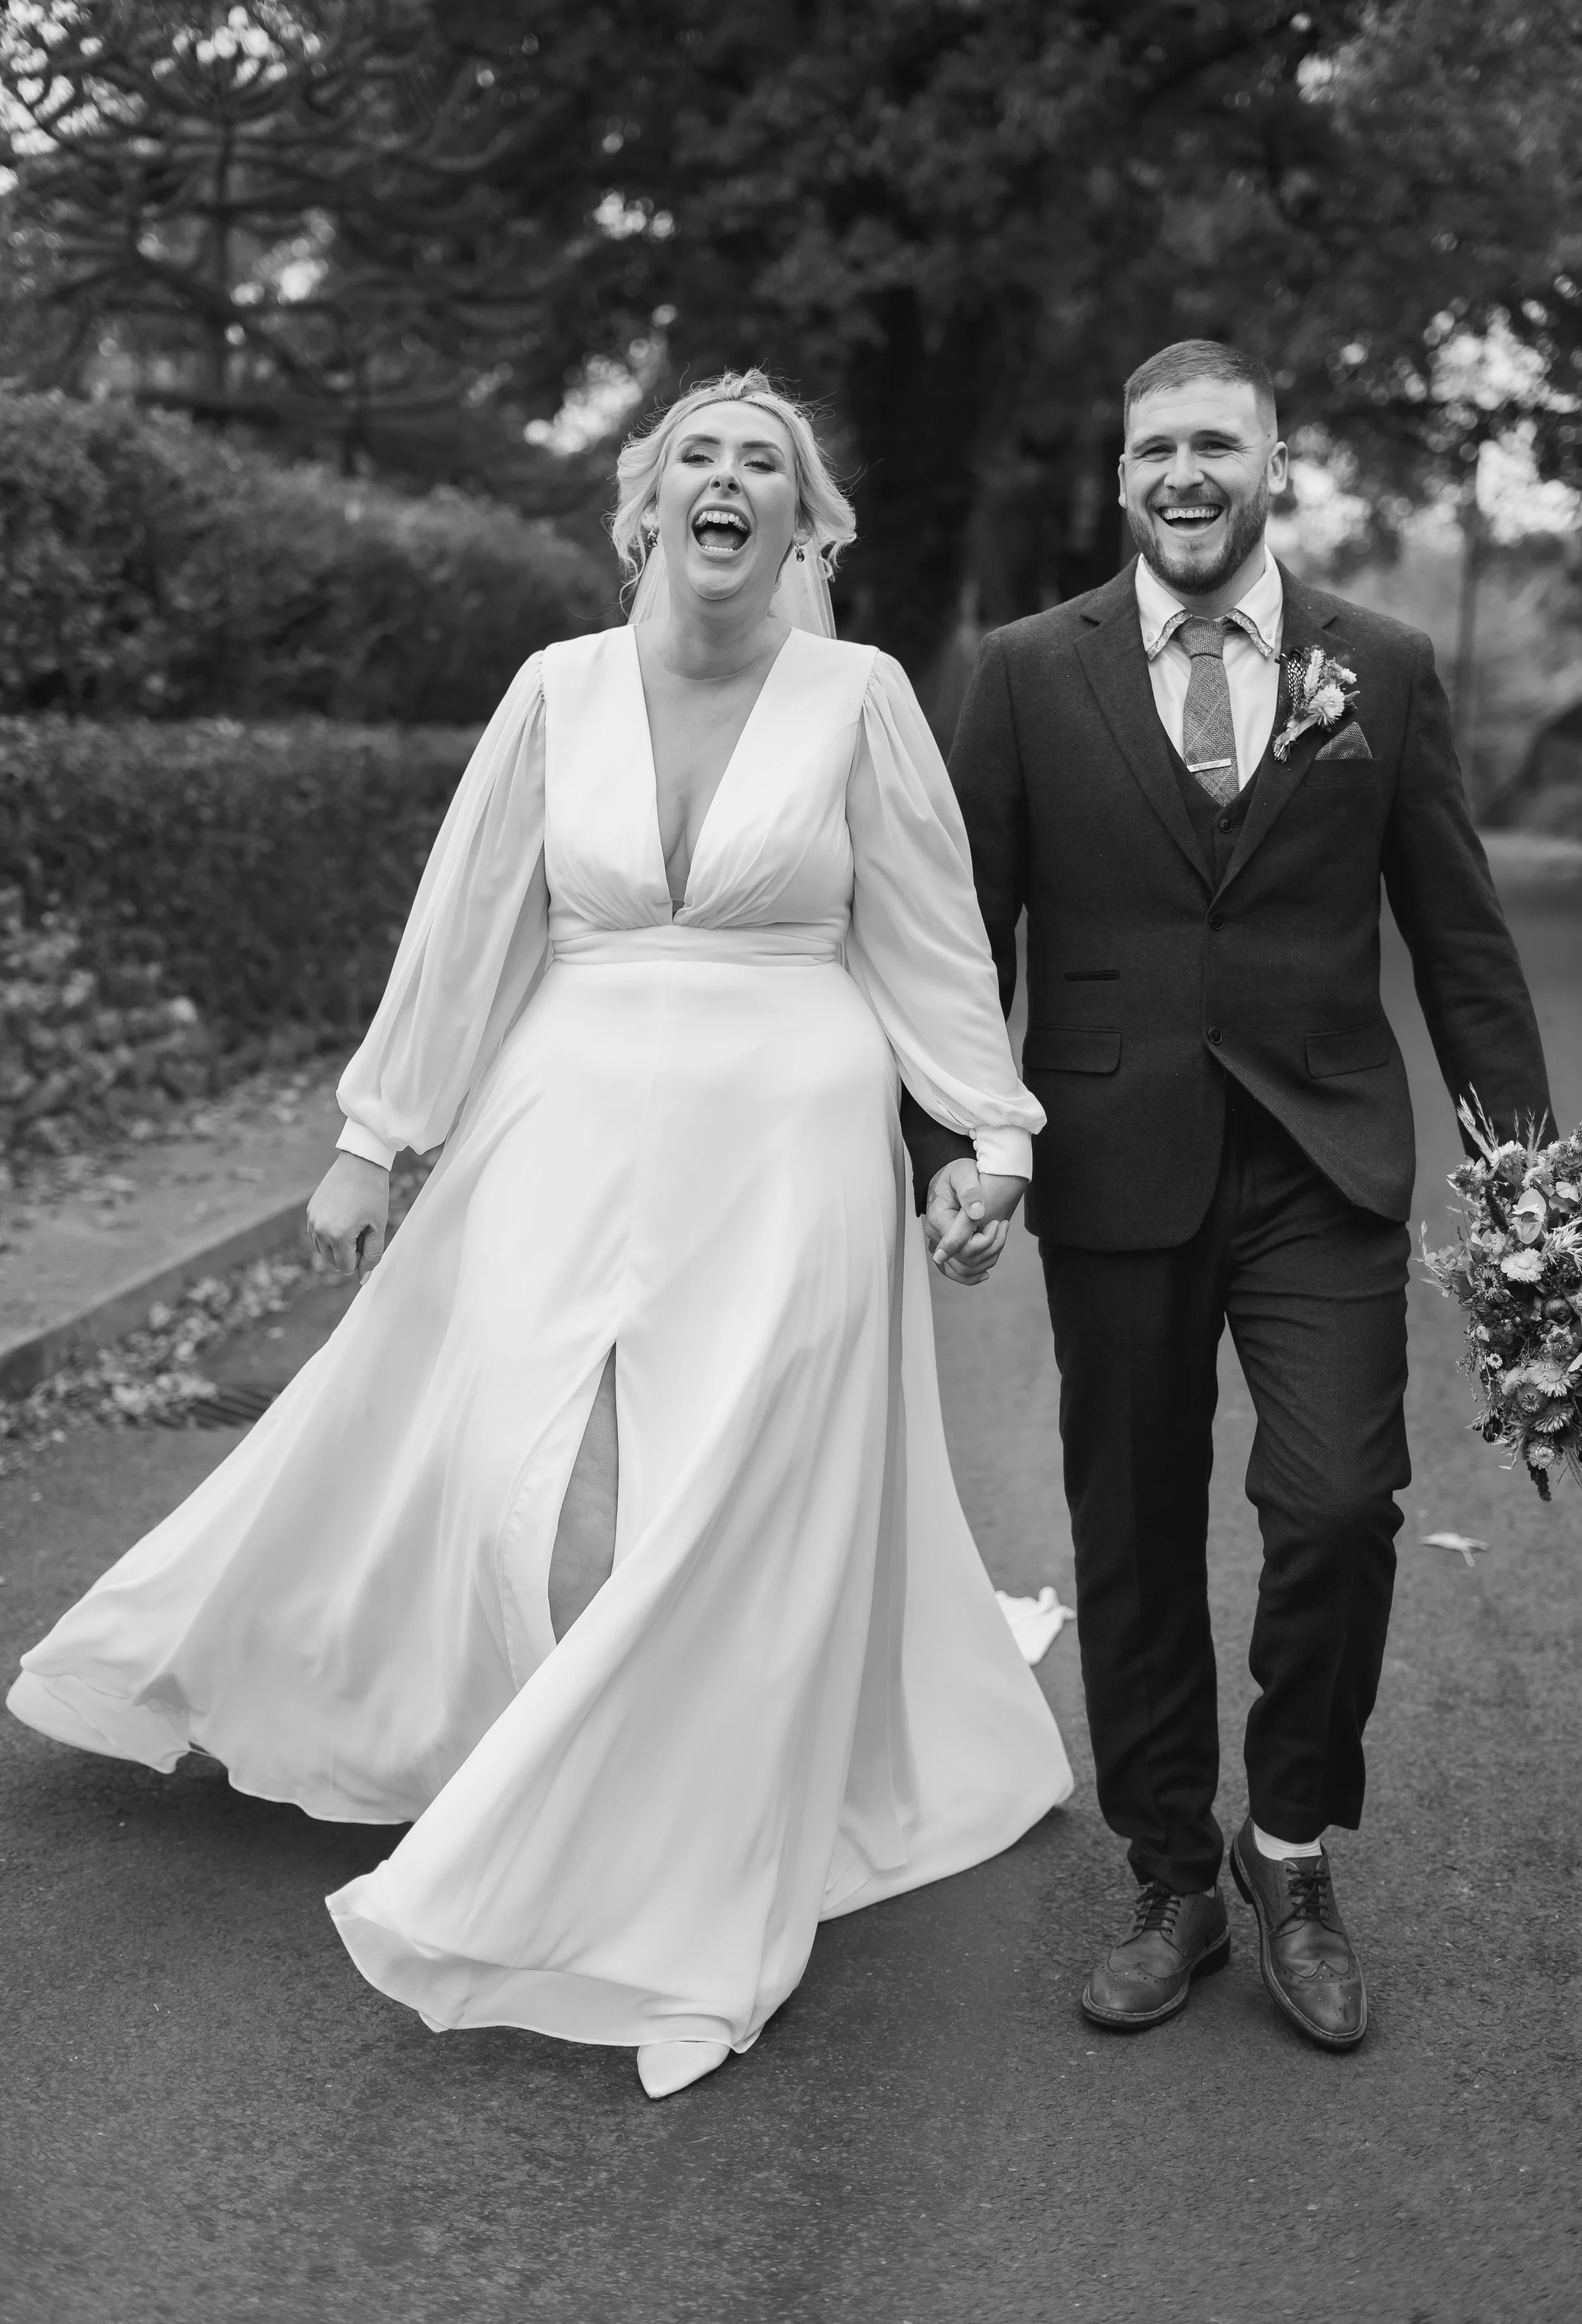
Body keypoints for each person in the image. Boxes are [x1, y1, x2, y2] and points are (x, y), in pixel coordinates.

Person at [8, 371, 1072, 2100]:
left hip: (791, 1142)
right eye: (698, 460)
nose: (731, 481)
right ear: (648, 511)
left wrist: (992, 1135)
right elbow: (471, 918)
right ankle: (558, 1734)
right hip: (557, 1125)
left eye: (767, 467)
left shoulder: (860, 697)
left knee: (731, 1471)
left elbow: (931, 941)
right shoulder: (553, 691)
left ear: (802, 526)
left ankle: (647, 1841)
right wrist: (375, 1137)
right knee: (526, 1447)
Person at [908, 339, 1550, 2050]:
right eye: (1153, 450)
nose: (1182, 473)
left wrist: (1526, 1193)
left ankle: (1284, 1849)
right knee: (1125, 1530)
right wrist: (956, 1147)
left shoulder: (1384, 669)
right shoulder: (1025, 674)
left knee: (1337, 1501)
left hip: (1321, 1154)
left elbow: (1465, 952)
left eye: (1216, 443)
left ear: (1273, 461)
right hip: (1113, 1157)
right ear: (1121, 481)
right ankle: (1168, 1871)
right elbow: (965, 938)